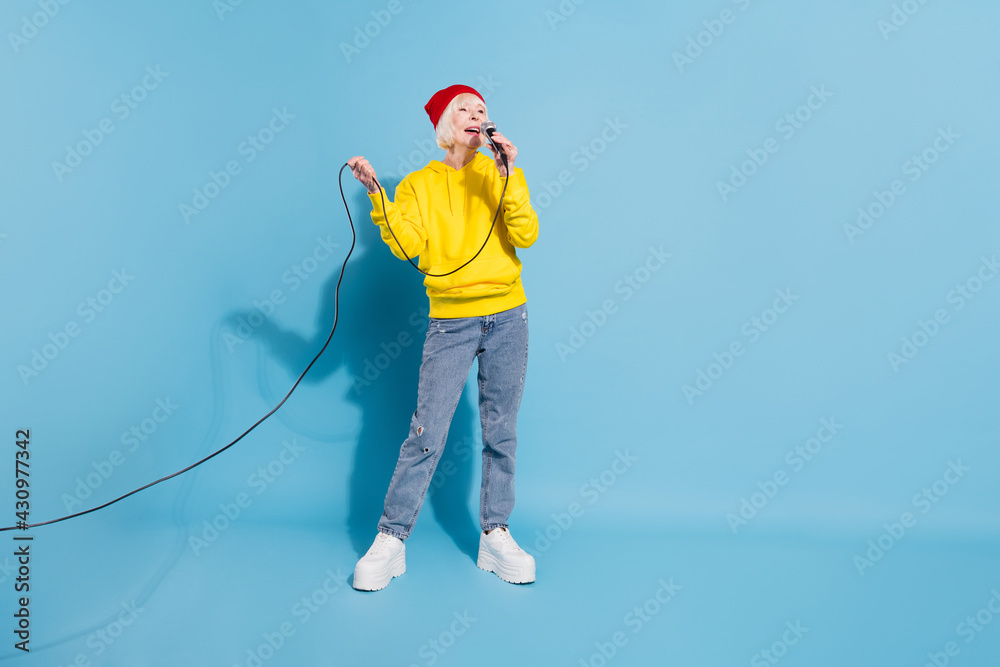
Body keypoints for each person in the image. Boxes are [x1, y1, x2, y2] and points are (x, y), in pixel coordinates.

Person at [346, 84, 539, 591]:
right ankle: (391, 539)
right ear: (445, 124)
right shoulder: (418, 185)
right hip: (450, 321)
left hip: (508, 317)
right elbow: (409, 244)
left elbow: (526, 234)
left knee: (502, 431)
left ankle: (496, 533)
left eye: (483, 109)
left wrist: (509, 175)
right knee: (427, 433)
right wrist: (376, 196)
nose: (478, 115)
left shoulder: (496, 173)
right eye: (466, 109)